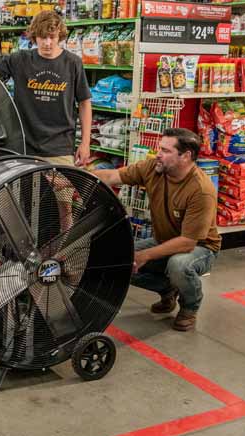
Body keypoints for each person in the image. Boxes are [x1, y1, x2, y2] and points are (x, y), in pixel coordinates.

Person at [92, 128, 221, 331]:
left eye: (166, 150)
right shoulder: (154, 167)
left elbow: (188, 242)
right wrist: (77, 175)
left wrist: (145, 255)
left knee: (178, 265)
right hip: (164, 239)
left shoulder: (201, 190)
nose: (158, 154)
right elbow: (114, 175)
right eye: (160, 148)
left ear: (186, 156)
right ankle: (167, 289)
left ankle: (190, 307)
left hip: (201, 248)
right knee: (116, 258)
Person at [0, 10, 93, 166]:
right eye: (42, 37)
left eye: (52, 37)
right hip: (23, 146)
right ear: (34, 37)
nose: (47, 43)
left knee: (64, 190)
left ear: (60, 36)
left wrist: (85, 143)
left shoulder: (73, 63)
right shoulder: (21, 59)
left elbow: (85, 103)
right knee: (22, 190)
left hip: (60, 149)